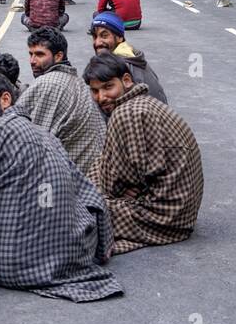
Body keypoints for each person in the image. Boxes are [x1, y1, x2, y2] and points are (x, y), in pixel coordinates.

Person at [0, 71, 122, 302]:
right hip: (73, 256)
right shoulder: (43, 133)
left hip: (17, 267)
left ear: (5, 100)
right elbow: (87, 191)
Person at [83, 53, 203, 254]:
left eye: (108, 87)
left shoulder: (125, 113)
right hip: (184, 212)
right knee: (97, 173)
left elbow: (122, 183)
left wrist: (99, 192)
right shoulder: (143, 103)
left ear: (127, 81)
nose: (101, 97)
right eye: (95, 91)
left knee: (82, 210)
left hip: (165, 217)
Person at [10, 27, 105, 171]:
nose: (32, 61)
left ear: (58, 56)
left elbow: (25, 141)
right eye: (31, 54)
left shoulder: (47, 83)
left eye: (39, 55)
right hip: (94, 174)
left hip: (69, 178)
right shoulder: (79, 82)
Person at [89, 11, 166, 103]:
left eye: (104, 36)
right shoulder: (132, 55)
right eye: (94, 37)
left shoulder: (120, 67)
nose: (97, 42)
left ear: (119, 38)